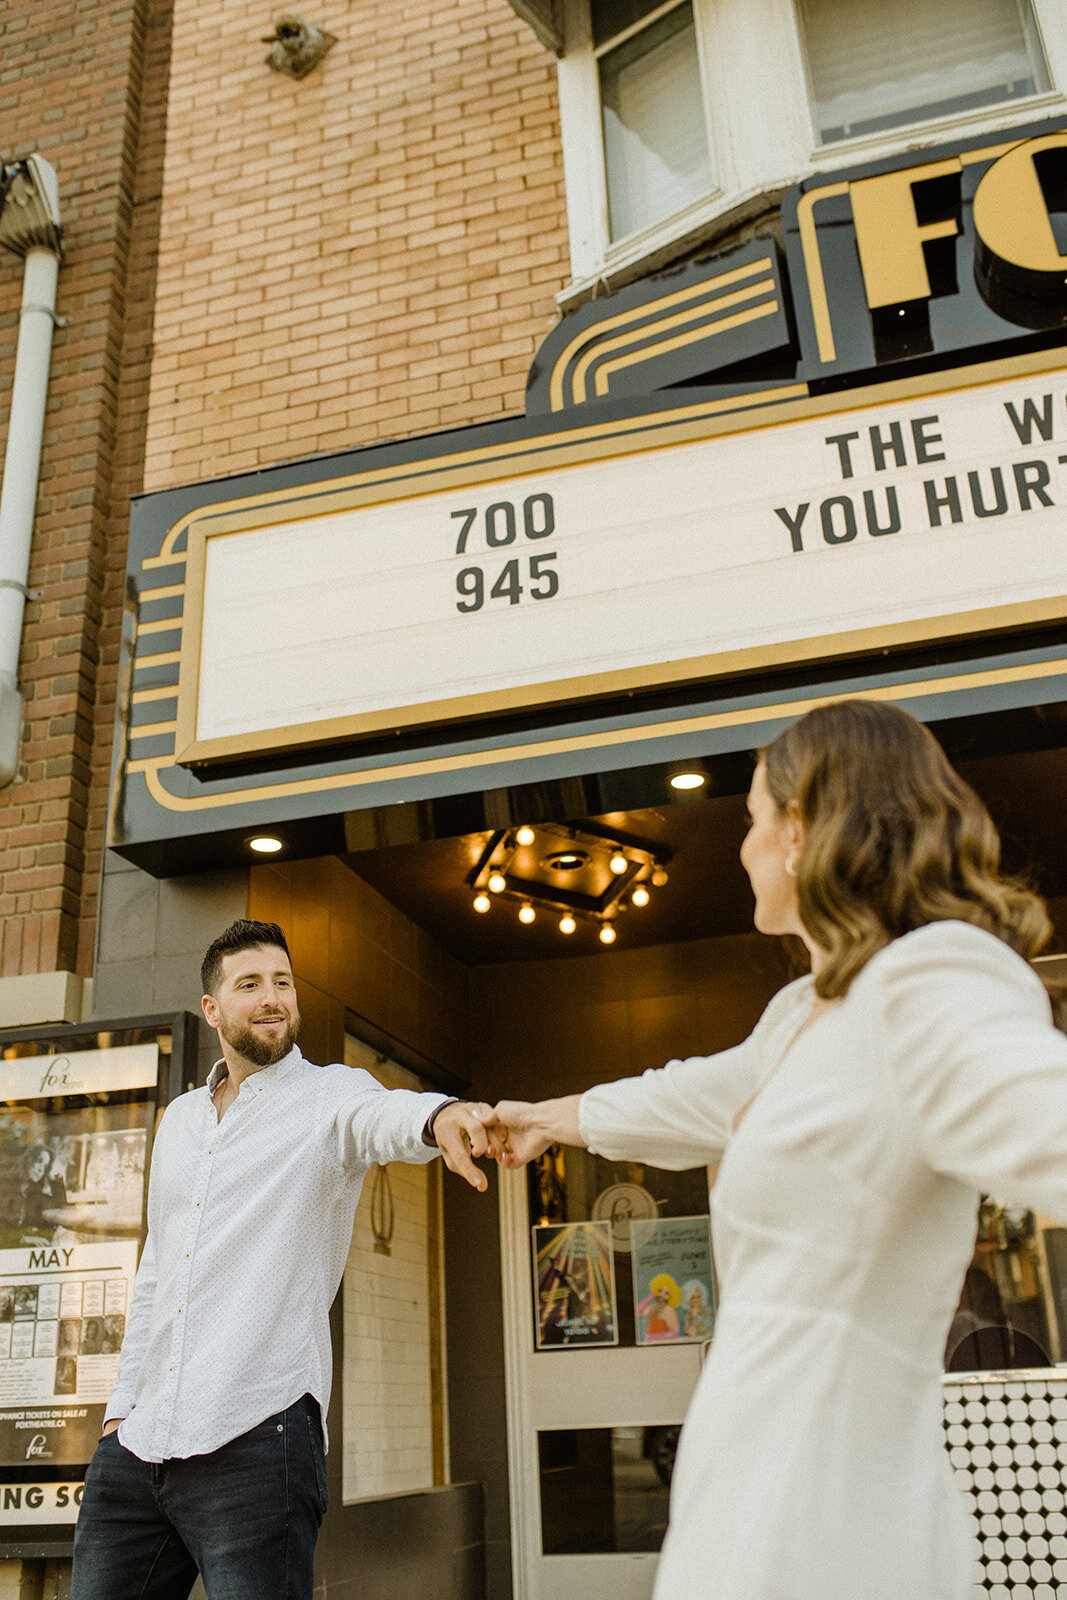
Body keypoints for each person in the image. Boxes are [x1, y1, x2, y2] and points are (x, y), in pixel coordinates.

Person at [483, 699, 1067, 1600]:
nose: (743, 844)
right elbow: (695, 1094)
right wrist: (549, 1118)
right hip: (741, 1491)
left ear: (797, 831)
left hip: (830, 1523)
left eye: (752, 819)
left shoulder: (932, 979)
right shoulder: (803, 1016)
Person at [71, 918, 495, 1600]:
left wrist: (439, 1119)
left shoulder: (330, 1097)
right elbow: (156, 1274)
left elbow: (382, 1117)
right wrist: (120, 1411)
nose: (272, 998)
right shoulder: (179, 1119)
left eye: (282, 983)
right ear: (212, 1009)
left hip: (255, 1436)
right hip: (140, 1445)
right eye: (250, 985)